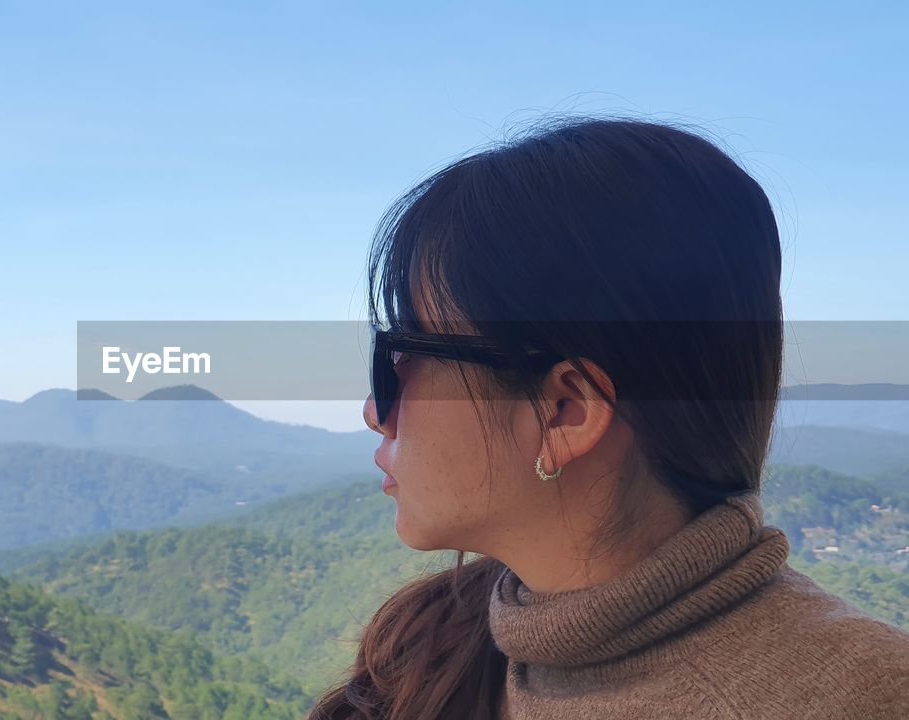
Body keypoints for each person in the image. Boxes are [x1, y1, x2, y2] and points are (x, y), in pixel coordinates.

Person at [308, 116, 909, 719]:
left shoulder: (861, 699)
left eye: (399, 360)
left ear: (566, 412)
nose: (373, 412)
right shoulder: (434, 642)